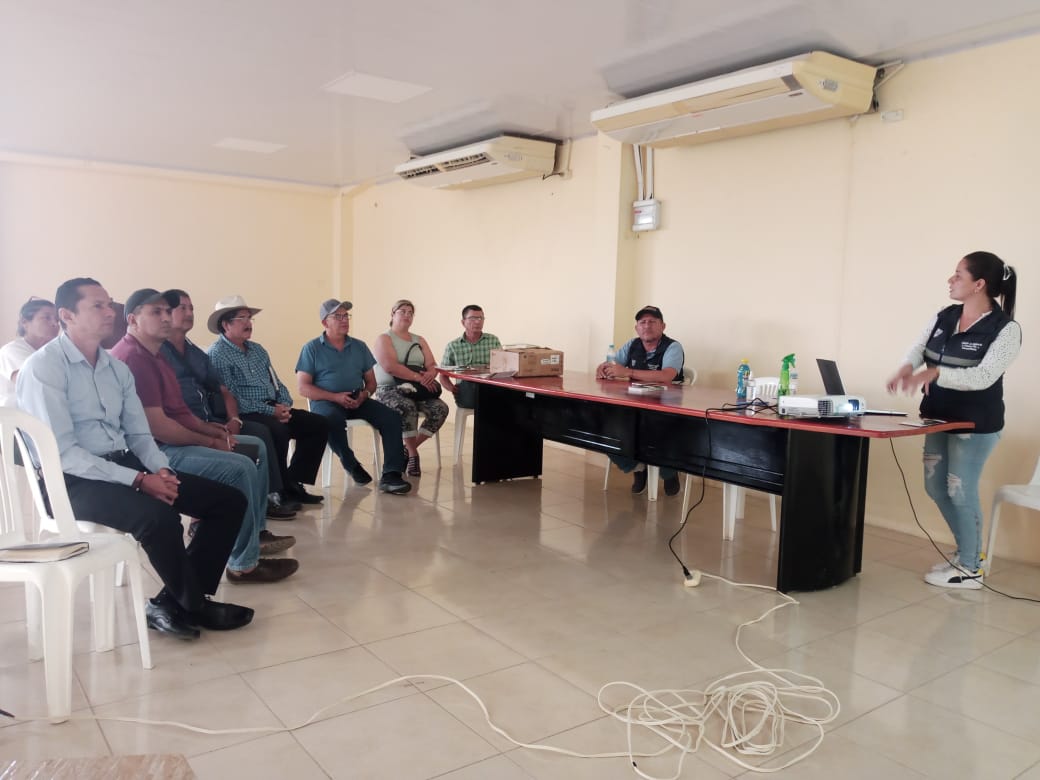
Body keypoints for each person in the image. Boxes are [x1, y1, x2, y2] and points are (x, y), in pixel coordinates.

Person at [16, 277, 253, 640]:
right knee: (160, 517)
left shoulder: (115, 368)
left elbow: (140, 436)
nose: (109, 311)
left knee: (227, 501)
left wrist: (161, 469)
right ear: (67, 315)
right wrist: (140, 480)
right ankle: (193, 605)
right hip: (69, 480)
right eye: (97, 306)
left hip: (123, 464)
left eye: (108, 303)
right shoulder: (44, 368)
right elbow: (63, 454)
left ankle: (172, 603)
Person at [111, 289, 299, 584]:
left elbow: (180, 412)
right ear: (133, 320)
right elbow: (158, 427)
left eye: (167, 311)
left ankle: (252, 537)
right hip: (152, 453)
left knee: (255, 448)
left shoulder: (156, 355)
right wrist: (211, 442)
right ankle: (243, 564)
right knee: (241, 464)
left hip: (169, 441)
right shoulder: (133, 357)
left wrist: (217, 430)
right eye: (157, 312)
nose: (166, 318)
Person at [887, 251, 1021, 590]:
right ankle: (966, 553)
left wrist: (935, 373)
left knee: (960, 491)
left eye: (958, 275)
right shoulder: (944, 316)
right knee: (935, 487)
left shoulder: (1005, 330)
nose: (951, 280)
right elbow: (918, 348)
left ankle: (971, 568)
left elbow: (983, 377)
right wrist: (907, 368)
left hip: (976, 424)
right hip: (938, 417)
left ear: (979, 284)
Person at [160, 289, 300, 516]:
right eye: (182, 308)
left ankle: (268, 503)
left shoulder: (196, 353)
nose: (189, 313)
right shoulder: (158, 354)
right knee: (262, 435)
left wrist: (234, 420)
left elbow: (224, 391)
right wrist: (211, 433)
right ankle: (265, 498)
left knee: (303, 427)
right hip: (186, 432)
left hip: (212, 421)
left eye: (191, 308)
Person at [207, 295, 329, 505]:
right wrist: (271, 412)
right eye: (242, 318)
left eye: (250, 318)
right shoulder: (218, 354)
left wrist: (284, 404)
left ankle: (293, 482)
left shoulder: (258, 350)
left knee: (318, 424)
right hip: (245, 412)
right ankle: (276, 491)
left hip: (272, 407)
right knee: (277, 430)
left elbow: (276, 382)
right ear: (226, 324)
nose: (248, 323)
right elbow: (232, 397)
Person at [295, 299, 411, 494]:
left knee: (391, 417)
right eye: (337, 316)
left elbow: (371, 382)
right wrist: (335, 397)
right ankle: (351, 463)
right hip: (326, 401)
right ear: (325, 322)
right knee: (330, 420)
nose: (344, 320)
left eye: (346, 316)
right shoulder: (312, 348)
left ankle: (392, 474)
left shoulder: (359, 346)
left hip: (357, 399)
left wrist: (364, 395)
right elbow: (303, 387)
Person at [595, 305, 686, 497]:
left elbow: (667, 376)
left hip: (666, 409)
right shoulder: (632, 345)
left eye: (652, 321)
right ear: (636, 328)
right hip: (633, 407)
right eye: (642, 322)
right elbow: (614, 365)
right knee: (603, 427)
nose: (647, 326)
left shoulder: (673, 347)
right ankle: (637, 467)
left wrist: (628, 372)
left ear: (663, 326)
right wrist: (603, 368)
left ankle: (669, 472)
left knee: (658, 431)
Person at [372, 300, 449, 477]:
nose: (407, 315)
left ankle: (406, 449)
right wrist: (418, 377)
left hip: (417, 388)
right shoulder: (384, 339)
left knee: (441, 408)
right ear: (392, 314)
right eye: (402, 311)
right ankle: (413, 455)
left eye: (410, 312)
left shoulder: (419, 340)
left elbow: (432, 364)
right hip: (390, 389)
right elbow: (390, 366)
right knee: (407, 406)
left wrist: (429, 375)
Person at [439, 304, 502, 408]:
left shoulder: (493, 340)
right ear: (463, 322)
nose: (477, 321)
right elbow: (443, 374)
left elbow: (502, 367)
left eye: (481, 318)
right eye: (473, 318)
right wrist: (452, 388)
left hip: (490, 385)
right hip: (466, 390)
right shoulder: (453, 346)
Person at [1, 297, 60, 407]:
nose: (55, 324)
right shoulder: (12, 350)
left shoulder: (54, 352)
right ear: (25, 322)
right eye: (47, 318)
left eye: (57, 320)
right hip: (16, 416)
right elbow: (35, 384)